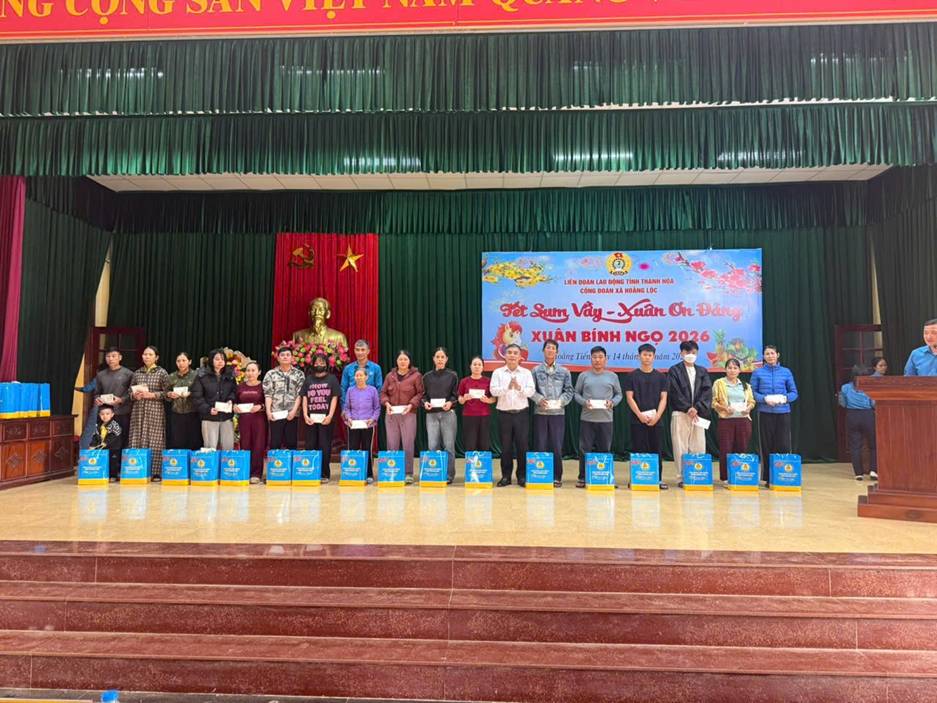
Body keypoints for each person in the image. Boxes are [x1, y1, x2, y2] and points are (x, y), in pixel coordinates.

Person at [574, 346, 623, 488]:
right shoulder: (583, 376)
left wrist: (612, 402)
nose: (597, 360)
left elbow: (619, 394)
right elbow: (576, 394)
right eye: (594, 357)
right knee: (584, 449)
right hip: (587, 418)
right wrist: (584, 402)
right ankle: (583, 477)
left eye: (600, 357)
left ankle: (605, 476)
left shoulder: (613, 376)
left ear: (606, 359)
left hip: (606, 419)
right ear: (591, 359)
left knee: (605, 449)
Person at [750, 344, 799, 486]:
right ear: (763, 357)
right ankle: (767, 478)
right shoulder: (757, 373)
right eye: (767, 354)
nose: (770, 356)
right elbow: (752, 392)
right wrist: (764, 398)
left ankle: (782, 476)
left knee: (783, 444)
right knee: (766, 446)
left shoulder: (786, 372)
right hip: (764, 413)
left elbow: (794, 393)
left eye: (772, 353)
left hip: (783, 413)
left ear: (778, 355)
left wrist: (784, 398)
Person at [667, 341, 713, 489]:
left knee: (698, 444)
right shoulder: (674, 370)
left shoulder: (702, 371)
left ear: (697, 353)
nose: (690, 355)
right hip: (680, 413)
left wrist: (697, 408)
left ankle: (697, 474)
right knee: (680, 446)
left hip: (698, 414)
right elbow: (673, 392)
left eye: (693, 352)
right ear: (681, 353)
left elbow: (707, 392)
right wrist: (687, 407)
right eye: (687, 352)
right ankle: (682, 477)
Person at [489, 343, 535, 487]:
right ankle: (506, 476)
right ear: (505, 355)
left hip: (521, 414)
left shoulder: (526, 373)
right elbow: (493, 391)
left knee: (522, 446)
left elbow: (531, 392)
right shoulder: (498, 372)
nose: (512, 355)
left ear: (520, 356)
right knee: (506, 447)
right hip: (504, 415)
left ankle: (522, 476)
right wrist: (507, 387)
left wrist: (519, 387)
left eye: (515, 353)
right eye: (509, 353)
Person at [624, 344, 669, 488]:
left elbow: (664, 398)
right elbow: (629, 397)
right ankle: (636, 478)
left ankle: (658, 479)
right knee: (638, 449)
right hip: (637, 420)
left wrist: (657, 417)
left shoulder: (661, 377)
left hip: (656, 420)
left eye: (650, 355)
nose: (647, 357)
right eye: (644, 354)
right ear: (639, 356)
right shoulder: (631, 376)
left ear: (654, 357)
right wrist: (639, 415)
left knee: (657, 449)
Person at [531, 339, 574, 487]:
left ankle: (557, 476)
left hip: (557, 413)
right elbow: (531, 390)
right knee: (540, 444)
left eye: (553, 348)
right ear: (543, 351)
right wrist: (539, 399)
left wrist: (561, 401)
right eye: (548, 348)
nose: (550, 350)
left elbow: (569, 391)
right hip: (540, 413)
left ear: (557, 352)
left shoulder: (564, 371)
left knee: (556, 445)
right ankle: (540, 475)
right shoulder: (535, 370)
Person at [380, 350, 424, 484]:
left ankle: (408, 473)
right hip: (391, 414)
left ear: (409, 361)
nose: (403, 362)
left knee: (408, 444)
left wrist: (411, 405)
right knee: (392, 443)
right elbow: (383, 393)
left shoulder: (416, 376)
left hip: (408, 413)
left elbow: (420, 393)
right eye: (400, 359)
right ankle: (392, 471)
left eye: (405, 359)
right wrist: (386, 403)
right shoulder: (390, 376)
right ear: (396, 361)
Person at [128, 346, 170, 481]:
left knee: (155, 440)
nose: (146, 357)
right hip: (139, 410)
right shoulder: (137, 373)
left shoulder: (162, 373)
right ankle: (136, 469)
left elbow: (168, 394)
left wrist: (153, 395)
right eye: (145, 354)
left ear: (156, 357)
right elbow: (129, 392)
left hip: (155, 410)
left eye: (150, 354)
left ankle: (156, 472)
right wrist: (134, 396)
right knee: (137, 437)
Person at [712, 358, 756, 486]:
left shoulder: (745, 385)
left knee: (742, 448)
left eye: (735, 368)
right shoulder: (719, 383)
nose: (732, 370)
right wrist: (725, 408)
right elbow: (713, 402)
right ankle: (725, 477)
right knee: (726, 448)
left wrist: (748, 408)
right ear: (725, 369)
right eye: (730, 368)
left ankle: (739, 475)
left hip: (743, 420)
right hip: (726, 420)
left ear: (739, 370)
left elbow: (752, 401)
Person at [423, 347, 460, 484]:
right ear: (433, 359)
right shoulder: (426, 377)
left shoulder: (452, 375)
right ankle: (435, 473)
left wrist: (450, 403)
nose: (440, 359)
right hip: (431, 415)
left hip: (448, 414)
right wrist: (425, 403)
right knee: (432, 445)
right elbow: (423, 396)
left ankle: (449, 475)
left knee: (449, 446)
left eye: (442, 357)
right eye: (437, 357)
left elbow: (455, 395)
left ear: (446, 359)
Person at [302, 354, 340, 483]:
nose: (319, 364)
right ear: (313, 364)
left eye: (322, 362)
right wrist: (305, 415)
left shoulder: (332, 379)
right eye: (317, 362)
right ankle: (310, 472)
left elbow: (334, 398)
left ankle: (324, 474)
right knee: (310, 445)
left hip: (326, 419)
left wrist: (330, 415)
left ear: (326, 364)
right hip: (310, 419)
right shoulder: (308, 379)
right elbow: (304, 397)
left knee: (325, 446)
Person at [191, 349, 237, 450]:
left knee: (228, 448)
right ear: (211, 360)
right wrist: (208, 409)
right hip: (209, 417)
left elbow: (234, 391)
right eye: (217, 359)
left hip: (226, 417)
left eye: (222, 359)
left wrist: (231, 400)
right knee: (210, 449)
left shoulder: (230, 375)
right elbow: (196, 397)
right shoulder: (202, 376)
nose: (220, 361)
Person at [839, 365, 877, 481]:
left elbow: (843, 403)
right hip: (867, 415)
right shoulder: (870, 388)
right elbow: (873, 404)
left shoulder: (845, 387)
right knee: (873, 445)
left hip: (852, 416)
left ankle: (858, 473)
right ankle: (873, 470)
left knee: (855, 446)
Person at [343, 367, 381, 483]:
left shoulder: (372, 390)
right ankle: (353, 473)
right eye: (357, 375)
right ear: (354, 377)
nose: (359, 377)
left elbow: (377, 408)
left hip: (367, 425)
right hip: (353, 425)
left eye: (361, 375)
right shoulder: (350, 390)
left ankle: (368, 474)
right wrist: (349, 418)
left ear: (366, 377)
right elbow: (347, 408)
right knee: (353, 448)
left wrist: (372, 419)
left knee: (367, 448)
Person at [263, 347, 305, 450]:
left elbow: (300, 395)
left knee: (291, 443)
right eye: (282, 355)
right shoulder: (270, 374)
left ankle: (290, 461)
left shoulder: (299, 374)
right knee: (275, 443)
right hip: (276, 413)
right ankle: (275, 461)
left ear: (292, 358)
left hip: (292, 414)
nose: (285, 357)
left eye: (287, 355)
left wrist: (294, 411)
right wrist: (268, 412)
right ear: (278, 358)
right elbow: (268, 394)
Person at [93, 347, 133, 448]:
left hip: (123, 412)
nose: (111, 359)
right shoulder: (100, 375)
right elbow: (97, 393)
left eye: (114, 356)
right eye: (108, 356)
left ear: (120, 357)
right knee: (104, 439)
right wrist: (97, 399)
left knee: (123, 439)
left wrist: (121, 400)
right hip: (105, 414)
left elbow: (132, 394)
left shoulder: (129, 374)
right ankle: (106, 458)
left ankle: (121, 458)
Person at [235, 361, 267, 484]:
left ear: (259, 372)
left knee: (258, 445)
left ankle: (256, 473)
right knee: (245, 445)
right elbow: (234, 401)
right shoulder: (240, 386)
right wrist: (234, 406)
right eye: (248, 370)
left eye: (253, 370)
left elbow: (269, 403)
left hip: (259, 420)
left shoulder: (263, 386)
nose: (250, 373)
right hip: (244, 420)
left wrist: (261, 406)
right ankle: (245, 471)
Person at [458, 356, 495, 452]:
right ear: (470, 366)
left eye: (479, 365)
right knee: (470, 443)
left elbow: (494, 399)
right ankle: (471, 462)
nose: (477, 366)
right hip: (469, 416)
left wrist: (488, 400)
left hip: (484, 416)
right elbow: (460, 399)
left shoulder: (488, 381)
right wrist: (464, 398)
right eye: (474, 364)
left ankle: (483, 462)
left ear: (483, 367)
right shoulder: (464, 381)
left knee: (484, 443)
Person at [165, 352, 201, 451]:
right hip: (176, 413)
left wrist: (191, 393)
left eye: (184, 360)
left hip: (193, 413)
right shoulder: (171, 376)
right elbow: (165, 392)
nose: (181, 363)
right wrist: (169, 394)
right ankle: (179, 460)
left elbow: (201, 392)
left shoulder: (196, 375)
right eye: (178, 361)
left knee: (193, 441)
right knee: (177, 441)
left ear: (190, 362)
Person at [90, 404, 122, 482]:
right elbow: (95, 436)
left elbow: (113, 435)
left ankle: (113, 475)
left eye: (107, 414)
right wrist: (93, 445)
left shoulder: (114, 425)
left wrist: (105, 442)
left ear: (112, 414)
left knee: (113, 462)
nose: (105, 416)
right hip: (102, 447)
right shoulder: (97, 425)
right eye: (102, 414)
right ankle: (102, 474)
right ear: (99, 415)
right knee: (102, 461)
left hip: (113, 448)